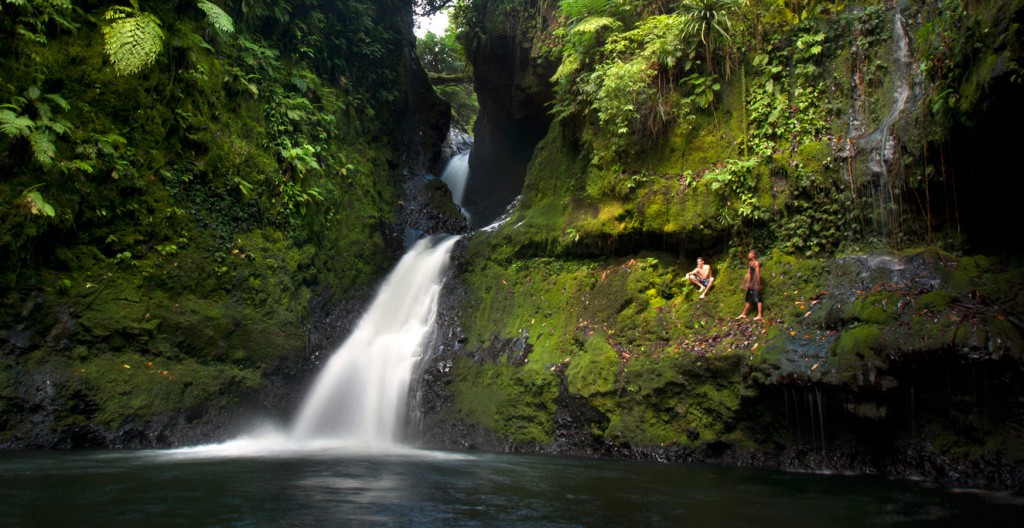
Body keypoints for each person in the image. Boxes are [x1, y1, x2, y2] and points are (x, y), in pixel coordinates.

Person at [737, 249, 764, 320]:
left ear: (754, 255)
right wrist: (746, 282)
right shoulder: (750, 263)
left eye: (750, 254)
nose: (749, 255)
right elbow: (749, 273)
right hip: (751, 283)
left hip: (755, 283)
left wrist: (757, 283)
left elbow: (758, 273)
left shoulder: (756, 263)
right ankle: (744, 314)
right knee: (749, 298)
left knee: (758, 298)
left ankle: (760, 315)